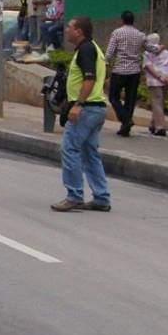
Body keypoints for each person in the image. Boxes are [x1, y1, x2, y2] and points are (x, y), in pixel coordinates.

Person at [54, 15, 111, 213]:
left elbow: (90, 78)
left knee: (69, 149)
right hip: (96, 108)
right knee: (89, 153)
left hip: (87, 109)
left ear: (79, 31)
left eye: (69, 27)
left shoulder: (86, 49)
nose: (67, 30)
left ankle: (74, 195)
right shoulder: (91, 48)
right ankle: (101, 197)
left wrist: (78, 104)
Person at [106, 10, 147, 137]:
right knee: (130, 99)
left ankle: (126, 120)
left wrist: (106, 63)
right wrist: (159, 48)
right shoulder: (140, 34)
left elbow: (110, 52)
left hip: (119, 70)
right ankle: (125, 127)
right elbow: (150, 47)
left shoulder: (117, 33)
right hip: (134, 72)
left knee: (113, 97)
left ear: (122, 20)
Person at [142, 32, 168, 137]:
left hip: (155, 81)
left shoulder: (147, 53)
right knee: (161, 102)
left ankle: (160, 127)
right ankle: (153, 124)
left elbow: (149, 67)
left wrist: (159, 77)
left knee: (156, 102)